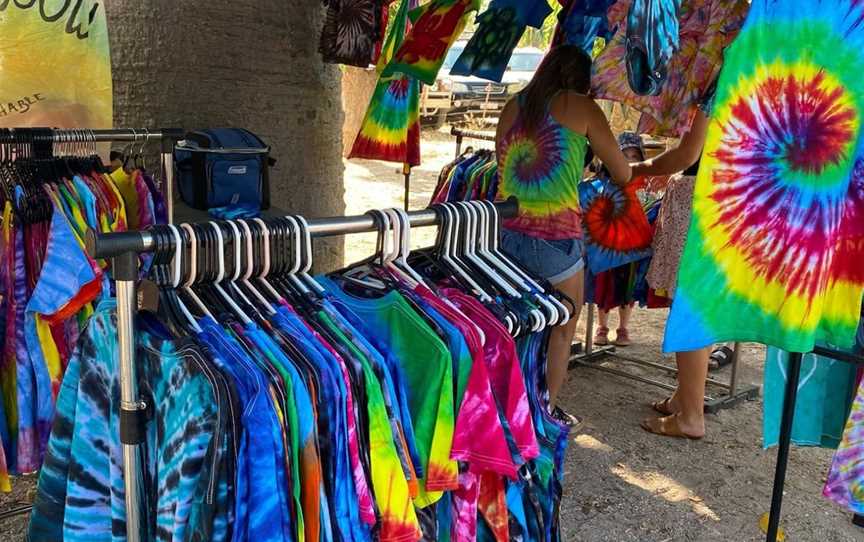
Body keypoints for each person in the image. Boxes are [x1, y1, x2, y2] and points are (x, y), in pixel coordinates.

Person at [495, 45, 632, 425]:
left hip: (507, 236)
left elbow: (501, 166)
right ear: (581, 78)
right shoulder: (581, 106)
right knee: (562, 327)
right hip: (556, 237)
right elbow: (622, 173)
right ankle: (545, 412)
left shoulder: (513, 105)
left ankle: (510, 403)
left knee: (518, 325)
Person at [630, 109, 709, 439]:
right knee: (700, 305)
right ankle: (685, 397)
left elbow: (688, 153)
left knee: (690, 307)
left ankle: (691, 415)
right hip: (725, 198)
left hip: (700, 201)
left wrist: (636, 169)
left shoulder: (721, 84)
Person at [593, 132, 645, 347]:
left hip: (632, 245)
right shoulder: (602, 182)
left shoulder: (643, 183)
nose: (630, 160)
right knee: (604, 285)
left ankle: (623, 327)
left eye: (635, 156)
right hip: (606, 244)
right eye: (625, 155)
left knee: (627, 287)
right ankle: (601, 326)